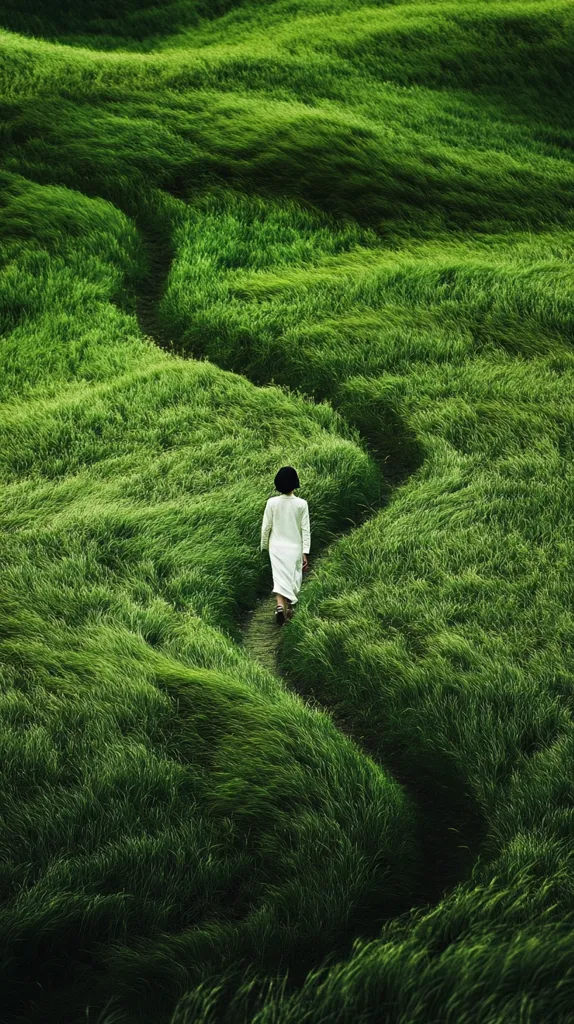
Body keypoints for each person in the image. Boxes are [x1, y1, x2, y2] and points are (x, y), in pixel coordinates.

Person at [260, 466, 311, 625]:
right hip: (294, 547)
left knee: (279, 577)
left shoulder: (271, 503)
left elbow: (266, 527)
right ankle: (287, 607)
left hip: (276, 547)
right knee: (292, 577)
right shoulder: (302, 504)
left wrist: (264, 546)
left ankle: (280, 607)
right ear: (295, 483)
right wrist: (305, 551)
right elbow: (305, 529)